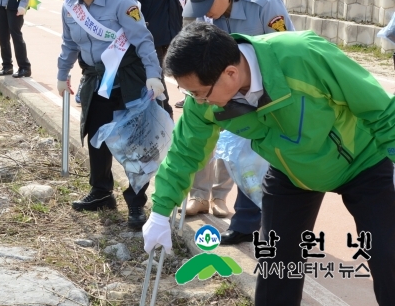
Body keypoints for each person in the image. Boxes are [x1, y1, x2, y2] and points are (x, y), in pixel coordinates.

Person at [143, 21, 395, 306]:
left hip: (363, 162)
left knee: (388, 254)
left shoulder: (303, 55)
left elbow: (382, 110)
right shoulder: (205, 104)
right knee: (276, 262)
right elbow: (185, 152)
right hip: (291, 172)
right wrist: (160, 212)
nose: (196, 101)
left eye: (199, 92)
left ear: (231, 73)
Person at [56, 0, 165, 229]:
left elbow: (143, 40)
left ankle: (136, 203)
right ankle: (101, 192)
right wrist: (61, 73)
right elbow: (69, 44)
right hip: (95, 79)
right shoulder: (70, 7)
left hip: (128, 79)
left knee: (135, 142)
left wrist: (154, 75)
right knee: (96, 136)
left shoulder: (122, 1)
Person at [184, 0, 295, 245]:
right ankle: (246, 224)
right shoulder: (206, 16)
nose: (205, 12)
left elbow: (288, 50)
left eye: (209, 4)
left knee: (279, 161)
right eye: (199, 6)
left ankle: (280, 230)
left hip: (273, 93)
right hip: (237, 94)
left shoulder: (265, 4)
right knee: (245, 158)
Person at [184, 0, 273, 219]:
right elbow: (188, 22)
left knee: (236, 136)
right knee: (204, 134)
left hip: (243, 75)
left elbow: (271, 28)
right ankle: (198, 194)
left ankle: (221, 195)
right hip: (207, 72)